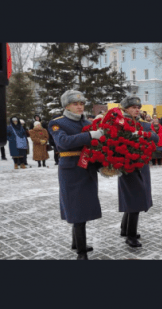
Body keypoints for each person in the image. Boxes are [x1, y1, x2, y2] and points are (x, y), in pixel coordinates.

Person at [48, 90, 103, 260]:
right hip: (71, 170)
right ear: (66, 106)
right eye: (75, 104)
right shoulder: (58, 123)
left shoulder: (87, 122)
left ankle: (76, 243)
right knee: (77, 210)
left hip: (88, 169)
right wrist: (89, 135)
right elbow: (63, 143)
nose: (79, 107)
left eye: (81, 104)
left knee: (83, 208)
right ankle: (81, 252)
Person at [118, 95, 159, 247]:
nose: (136, 110)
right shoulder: (119, 123)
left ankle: (125, 229)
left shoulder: (143, 124)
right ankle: (131, 235)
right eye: (133, 107)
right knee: (136, 198)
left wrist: (141, 134)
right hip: (126, 166)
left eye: (138, 108)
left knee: (133, 198)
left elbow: (155, 138)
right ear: (125, 109)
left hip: (141, 165)